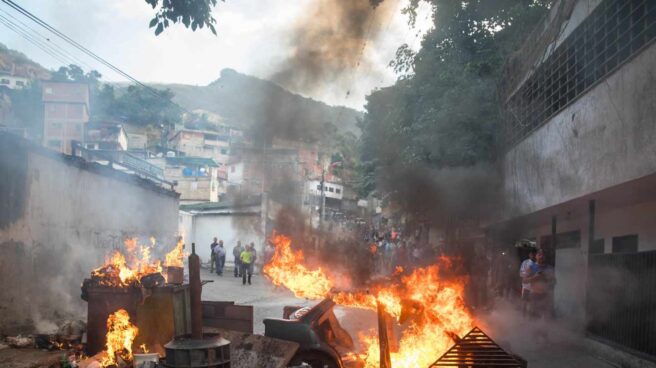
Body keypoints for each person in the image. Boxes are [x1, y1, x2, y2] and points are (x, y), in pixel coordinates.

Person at [526, 249, 555, 318]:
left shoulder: (550, 268)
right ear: (536, 256)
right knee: (533, 316)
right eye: (539, 254)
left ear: (545, 257)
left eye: (543, 255)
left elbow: (554, 282)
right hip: (534, 295)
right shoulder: (531, 267)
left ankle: (544, 328)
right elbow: (524, 281)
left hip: (546, 296)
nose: (541, 256)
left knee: (547, 317)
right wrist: (535, 277)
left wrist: (547, 278)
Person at [519, 248, 537, 316]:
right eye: (531, 254)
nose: (532, 256)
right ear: (529, 255)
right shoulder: (525, 262)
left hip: (534, 287)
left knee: (532, 303)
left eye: (534, 254)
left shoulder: (537, 263)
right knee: (524, 301)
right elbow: (520, 273)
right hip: (526, 286)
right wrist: (526, 274)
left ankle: (531, 316)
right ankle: (523, 315)